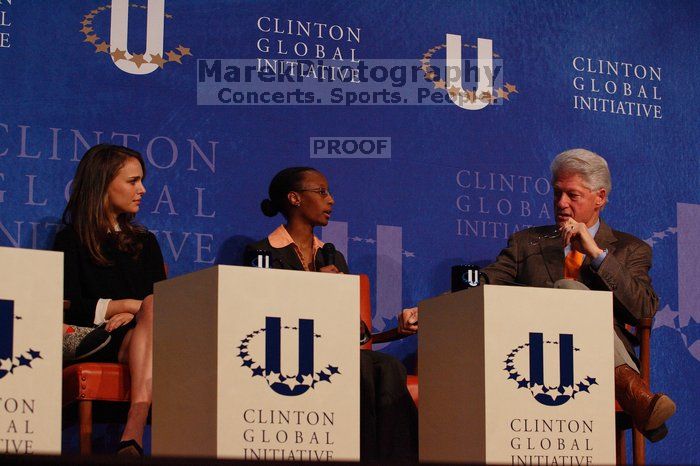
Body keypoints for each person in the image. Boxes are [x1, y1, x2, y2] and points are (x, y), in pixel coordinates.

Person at [479, 148, 676, 441]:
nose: (561, 203)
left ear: (600, 197)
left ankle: (632, 394)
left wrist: (597, 255)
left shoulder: (630, 249)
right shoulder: (527, 242)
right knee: (567, 289)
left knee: (570, 289)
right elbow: (485, 285)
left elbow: (643, 309)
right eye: (557, 193)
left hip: (596, 364)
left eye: (573, 195)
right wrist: (433, 310)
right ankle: (638, 400)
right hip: (531, 356)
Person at [245, 167, 418, 461]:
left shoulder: (332, 255)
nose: (331, 200)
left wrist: (395, 333)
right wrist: (315, 288)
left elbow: (357, 333)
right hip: (288, 349)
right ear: (294, 198)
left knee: (389, 366)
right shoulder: (263, 252)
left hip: (335, 347)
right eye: (322, 192)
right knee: (362, 369)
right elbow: (260, 315)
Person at [54, 144, 165, 456]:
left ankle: (135, 422)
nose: (142, 190)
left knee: (157, 310)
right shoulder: (71, 239)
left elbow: (161, 303)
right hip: (90, 338)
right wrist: (126, 306)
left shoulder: (146, 242)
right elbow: (65, 303)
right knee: (150, 310)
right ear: (103, 183)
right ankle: (135, 429)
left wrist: (137, 314)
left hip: (137, 335)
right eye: (133, 181)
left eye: (142, 181)